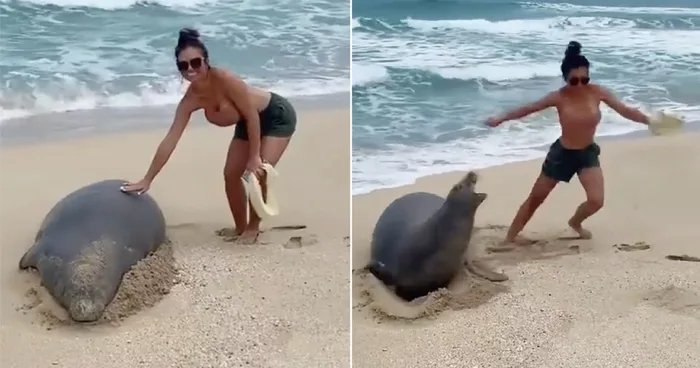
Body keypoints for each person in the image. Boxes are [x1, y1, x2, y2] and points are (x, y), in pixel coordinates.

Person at [121, 28, 297, 244]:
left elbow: (252, 115)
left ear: (206, 61)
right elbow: (171, 140)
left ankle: (253, 229)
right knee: (230, 174)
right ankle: (240, 227)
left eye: (195, 62)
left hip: (274, 115)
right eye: (183, 65)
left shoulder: (225, 79)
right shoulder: (190, 100)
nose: (190, 69)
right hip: (247, 121)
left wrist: (254, 157)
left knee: (259, 172)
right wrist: (147, 179)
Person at [485, 41, 650, 245]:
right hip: (562, 155)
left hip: (586, 153)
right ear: (565, 78)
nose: (580, 84)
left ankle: (575, 222)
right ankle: (509, 238)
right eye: (574, 81)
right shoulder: (559, 97)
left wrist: (649, 121)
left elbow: (625, 110)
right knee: (536, 199)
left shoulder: (597, 92)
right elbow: (528, 108)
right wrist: (500, 119)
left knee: (596, 201)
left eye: (585, 79)